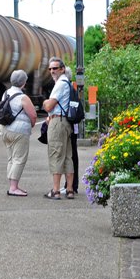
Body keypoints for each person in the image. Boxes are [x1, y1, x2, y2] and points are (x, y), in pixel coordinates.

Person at [0, 69, 38, 197]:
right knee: (19, 159)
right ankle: (13, 188)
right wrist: (31, 125)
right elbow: (33, 115)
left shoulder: (6, 93)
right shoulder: (23, 97)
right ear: (24, 83)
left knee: (11, 158)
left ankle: (12, 185)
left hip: (5, 129)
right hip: (19, 132)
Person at [41, 57, 75, 200]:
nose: (52, 71)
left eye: (55, 68)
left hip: (57, 122)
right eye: (50, 69)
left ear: (62, 69)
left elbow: (49, 106)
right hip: (66, 122)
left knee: (56, 154)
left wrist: (44, 102)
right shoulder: (67, 82)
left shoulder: (60, 84)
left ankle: (55, 191)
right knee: (67, 156)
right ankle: (69, 190)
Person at [61, 66, 80, 195]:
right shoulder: (72, 88)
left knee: (69, 155)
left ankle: (71, 185)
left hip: (68, 123)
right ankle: (72, 184)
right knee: (72, 154)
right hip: (74, 124)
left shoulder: (66, 88)